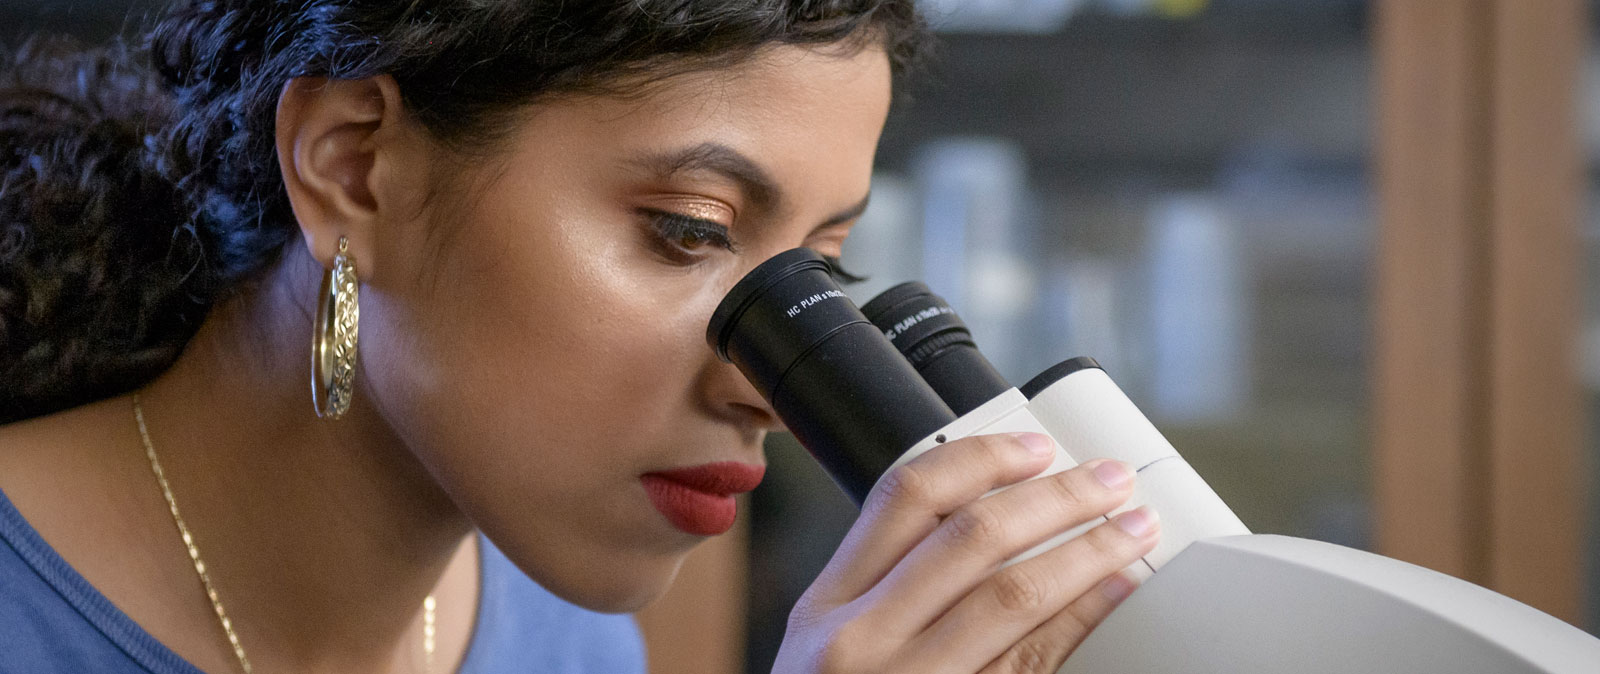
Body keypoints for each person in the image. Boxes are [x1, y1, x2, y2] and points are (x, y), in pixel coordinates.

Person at [0, 1, 1161, 672]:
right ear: (353, 166)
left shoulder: (564, 636)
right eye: (687, 230)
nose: (770, 385)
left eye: (820, 271)